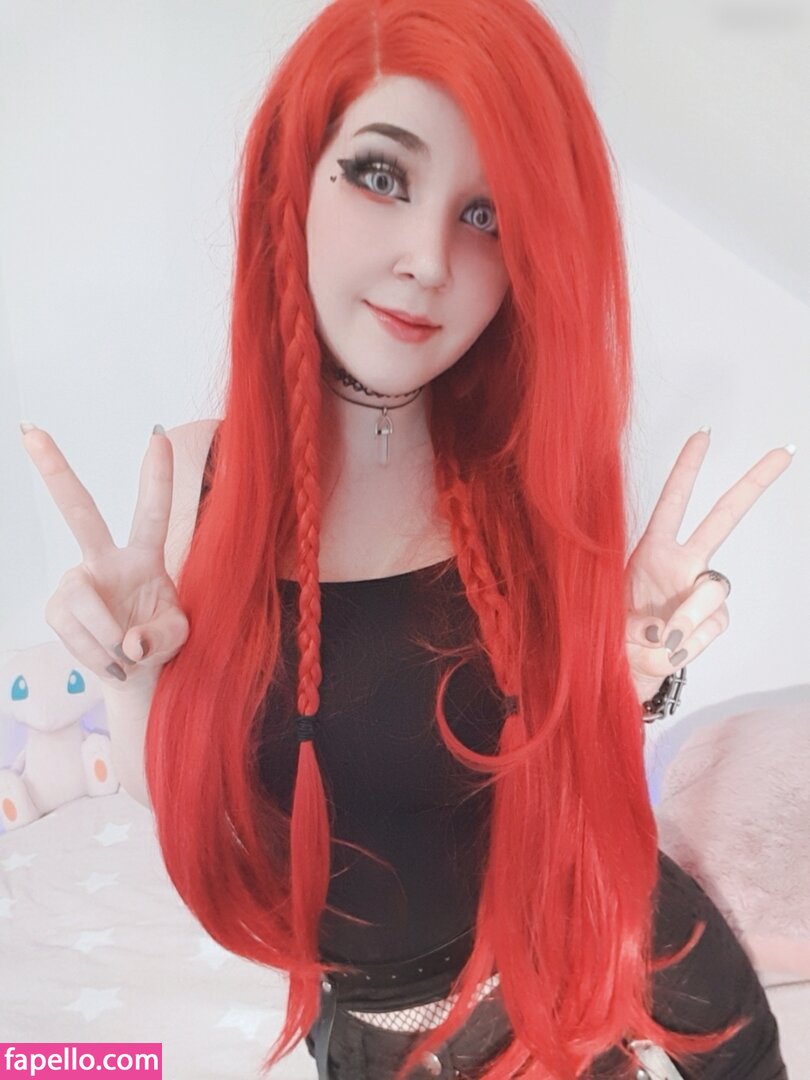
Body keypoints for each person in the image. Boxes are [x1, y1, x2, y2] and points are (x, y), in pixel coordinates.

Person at [19, 0, 795, 1076]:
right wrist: (132, 671)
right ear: (295, 178)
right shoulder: (194, 483)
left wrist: (632, 665)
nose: (429, 259)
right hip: (369, 1027)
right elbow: (186, 805)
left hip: (579, 969)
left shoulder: (527, 479)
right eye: (382, 176)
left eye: (488, 215)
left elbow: (567, 783)